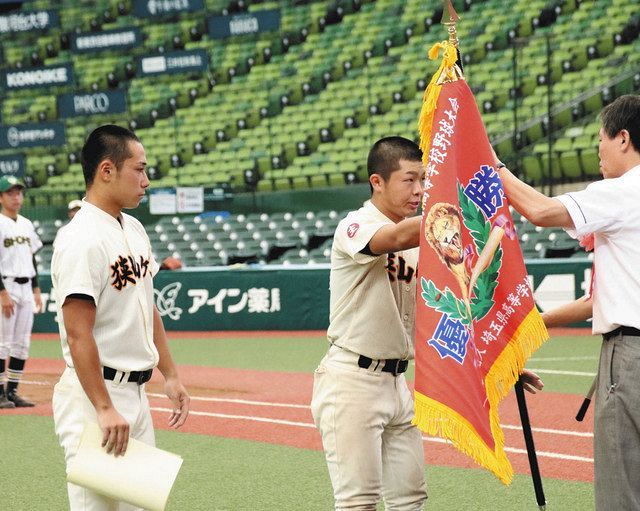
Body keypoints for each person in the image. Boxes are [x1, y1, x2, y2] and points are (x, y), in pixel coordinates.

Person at [310, 136, 543, 510]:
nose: (419, 190)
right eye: (409, 180)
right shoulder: (354, 226)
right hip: (352, 381)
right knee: (359, 502)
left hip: (399, 385)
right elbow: (394, 237)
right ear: (377, 182)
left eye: (424, 180)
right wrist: (448, 212)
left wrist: (501, 362)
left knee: (410, 499)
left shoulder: (423, 239)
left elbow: (447, 314)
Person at [494, 94, 640, 510]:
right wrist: (533, 324)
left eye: (601, 138)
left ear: (624, 138)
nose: (599, 149)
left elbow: (539, 210)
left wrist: (494, 165)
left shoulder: (624, 191)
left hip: (631, 356)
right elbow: (601, 299)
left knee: (621, 490)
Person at [51, 125, 190, 510]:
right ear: (106, 170)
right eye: (139, 169)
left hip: (136, 395)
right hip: (93, 396)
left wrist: (171, 373)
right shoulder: (81, 238)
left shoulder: (134, 227)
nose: (146, 182)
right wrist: (103, 406)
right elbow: (78, 334)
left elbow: (148, 308)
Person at [0, 175, 42, 409]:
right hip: (7, 285)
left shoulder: (25, 224)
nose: (16, 197)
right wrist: (2, 292)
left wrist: (36, 287)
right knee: (2, 343)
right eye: (10, 193)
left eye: (19, 192)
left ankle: (12, 392)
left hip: (26, 287)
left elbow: (31, 257)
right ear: (1, 197)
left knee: (21, 343)